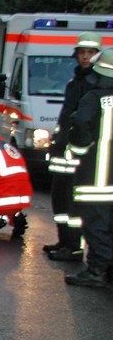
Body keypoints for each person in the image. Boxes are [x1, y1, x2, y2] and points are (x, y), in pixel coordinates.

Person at [43, 32, 102, 261]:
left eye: (90, 53)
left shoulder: (94, 84)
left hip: (78, 153)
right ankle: (64, 240)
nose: (85, 57)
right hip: (63, 151)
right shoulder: (74, 82)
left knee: (73, 202)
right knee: (60, 197)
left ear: (98, 55)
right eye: (82, 52)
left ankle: (74, 246)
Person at [65, 47, 113, 287]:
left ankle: (97, 270)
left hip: (97, 177)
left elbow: (81, 125)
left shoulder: (94, 98)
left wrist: (80, 149)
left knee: (95, 223)